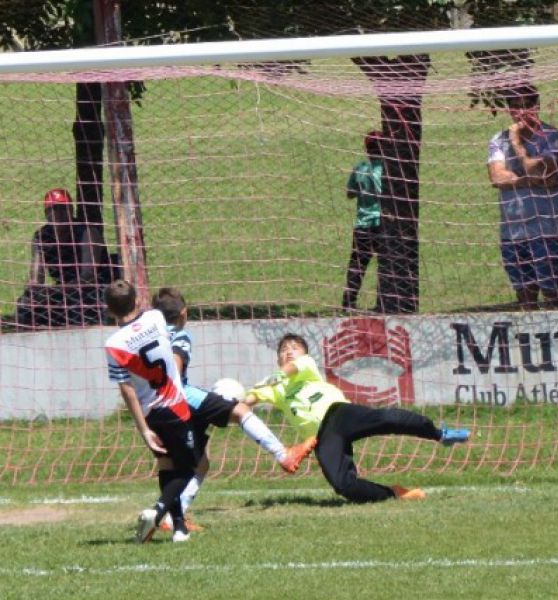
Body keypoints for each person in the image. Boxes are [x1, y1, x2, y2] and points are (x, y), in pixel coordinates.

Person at [150, 287, 310, 531]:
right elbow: (176, 364)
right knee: (241, 410)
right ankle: (283, 454)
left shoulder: (150, 338)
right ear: (184, 313)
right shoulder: (179, 336)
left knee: (199, 464)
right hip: (182, 398)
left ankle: (173, 518)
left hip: (155, 406)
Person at [243, 333, 470, 503]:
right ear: (277, 359)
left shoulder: (305, 365)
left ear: (304, 353)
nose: (289, 351)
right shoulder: (271, 387)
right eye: (284, 349)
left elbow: (290, 369)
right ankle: (395, 493)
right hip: (321, 437)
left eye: (295, 347)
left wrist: (277, 375)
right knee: (343, 486)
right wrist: (234, 401)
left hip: (340, 414)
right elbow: (246, 403)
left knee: (386, 418)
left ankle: (439, 434)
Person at [103, 279, 197, 544]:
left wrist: (144, 428)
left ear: (110, 311)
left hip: (150, 413)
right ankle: (156, 512)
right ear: (137, 302)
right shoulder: (156, 317)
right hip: (175, 406)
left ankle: (180, 528)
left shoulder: (113, 345)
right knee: (190, 466)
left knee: (167, 465)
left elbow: (127, 390)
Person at [487, 84, 558, 310]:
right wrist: (529, 178)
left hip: (547, 229)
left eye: (526, 106)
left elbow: (547, 175)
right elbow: (496, 177)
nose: (520, 112)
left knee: (552, 295)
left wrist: (517, 144)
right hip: (513, 232)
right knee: (524, 297)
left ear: (537, 106)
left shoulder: (552, 137)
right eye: (514, 107)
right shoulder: (497, 139)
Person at [19, 188, 118, 327]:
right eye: (54, 209)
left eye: (64, 208)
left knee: (80, 301)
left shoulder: (86, 232)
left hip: (92, 290)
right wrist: (34, 292)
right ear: (46, 213)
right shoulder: (42, 237)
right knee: (25, 304)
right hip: (63, 291)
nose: (59, 214)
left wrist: (53, 291)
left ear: (71, 210)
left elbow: (88, 276)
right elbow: (36, 278)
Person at [342, 131, 384, 310]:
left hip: (362, 224)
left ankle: (348, 302)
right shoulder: (384, 170)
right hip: (381, 224)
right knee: (386, 265)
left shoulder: (359, 168)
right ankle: (383, 303)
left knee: (357, 265)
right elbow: (384, 194)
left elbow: (350, 193)